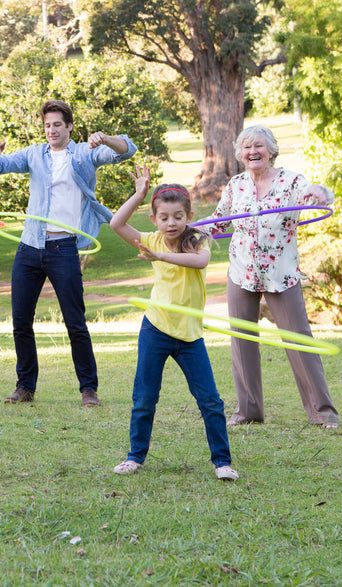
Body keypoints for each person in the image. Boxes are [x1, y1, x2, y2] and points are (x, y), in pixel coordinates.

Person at [0, 99, 136, 407]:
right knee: (21, 320)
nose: (51, 130)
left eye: (57, 124)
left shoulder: (84, 153)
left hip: (63, 247)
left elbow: (127, 150)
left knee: (74, 321)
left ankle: (88, 389)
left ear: (69, 126)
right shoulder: (34, 154)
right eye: (47, 125)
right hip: (30, 246)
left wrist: (104, 138)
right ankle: (25, 387)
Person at [107, 167, 238, 480]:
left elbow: (200, 262)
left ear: (189, 215)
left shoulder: (197, 240)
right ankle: (134, 457)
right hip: (155, 329)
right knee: (144, 398)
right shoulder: (151, 239)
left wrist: (161, 257)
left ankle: (222, 462)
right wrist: (139, 195)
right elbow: (116, 224)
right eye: (163, 217)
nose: (171, 223)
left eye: (178, 216)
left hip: (190, 336)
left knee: (210, 400)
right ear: (154, 219)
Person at [209, 125, 339, 428]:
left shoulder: (291, 181)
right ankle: (248, 411)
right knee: (242, 341)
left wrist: (319, 193)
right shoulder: (235, 185)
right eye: (247, 147)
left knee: (298, 340)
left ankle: (323, 413)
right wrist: (200, 229)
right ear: (240, 154)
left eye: (259, 146)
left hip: (281, 272)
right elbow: (220, 221)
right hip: (242, 271)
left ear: (272, 151)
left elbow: (319, 195)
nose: (253, 152)